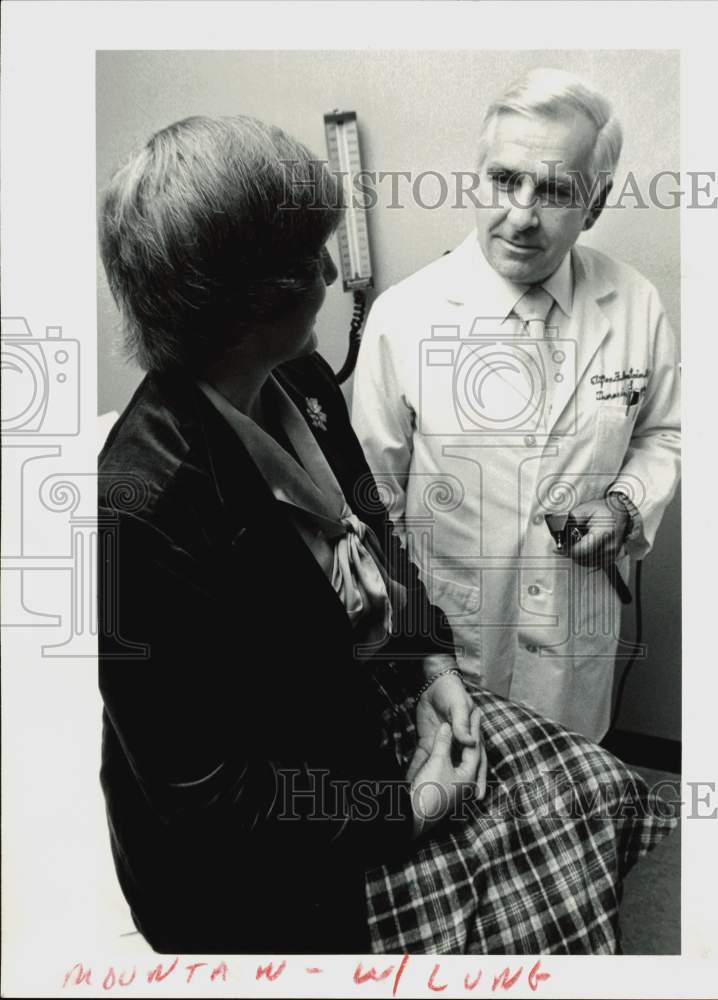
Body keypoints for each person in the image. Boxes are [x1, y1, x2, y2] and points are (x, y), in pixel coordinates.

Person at [98, 114, 674, 957]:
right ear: (242, 299)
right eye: (310, 259)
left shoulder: (297, 381)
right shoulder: (144, 511)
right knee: (539, 917)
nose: (333, 273)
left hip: (350, 719)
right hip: (266, 860)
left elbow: (373, 526)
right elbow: (211, 810)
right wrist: (409, 809)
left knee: (598, 782)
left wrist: (431, 661)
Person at [353, 68, 681, 742]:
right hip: (452, 644)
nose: (521, 215)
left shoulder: (634, 303)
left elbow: (665, 433)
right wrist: (409, 648)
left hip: (574, 638)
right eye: (504, 180)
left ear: (593, 204)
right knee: (466, 816)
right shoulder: (405, 317)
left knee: (569, 807)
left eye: (556, 190)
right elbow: (369, 506)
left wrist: (622, 505)